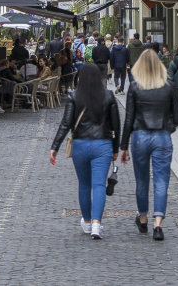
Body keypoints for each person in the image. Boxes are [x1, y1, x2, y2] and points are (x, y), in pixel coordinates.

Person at [49, 63, 121, 240]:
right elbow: (116, 126)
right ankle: (97, 224)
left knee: (84, 184)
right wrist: (115, 148)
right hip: (102, 145)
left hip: (80, 145)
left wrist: (55, 147)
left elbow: (65, 124)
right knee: (98, 185)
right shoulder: (109, 96)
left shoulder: (74, 96)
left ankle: (87, 222)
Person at [119, 49, 178, 240]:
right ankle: (158, 223)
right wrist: (167, 129)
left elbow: (128, 119)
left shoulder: (135, 87)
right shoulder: (169, 86)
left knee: (142, 179)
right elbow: (177, 117)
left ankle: (143, 218)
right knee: (161, 181)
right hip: (162, 136)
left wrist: (123, 147)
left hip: (140, 137)